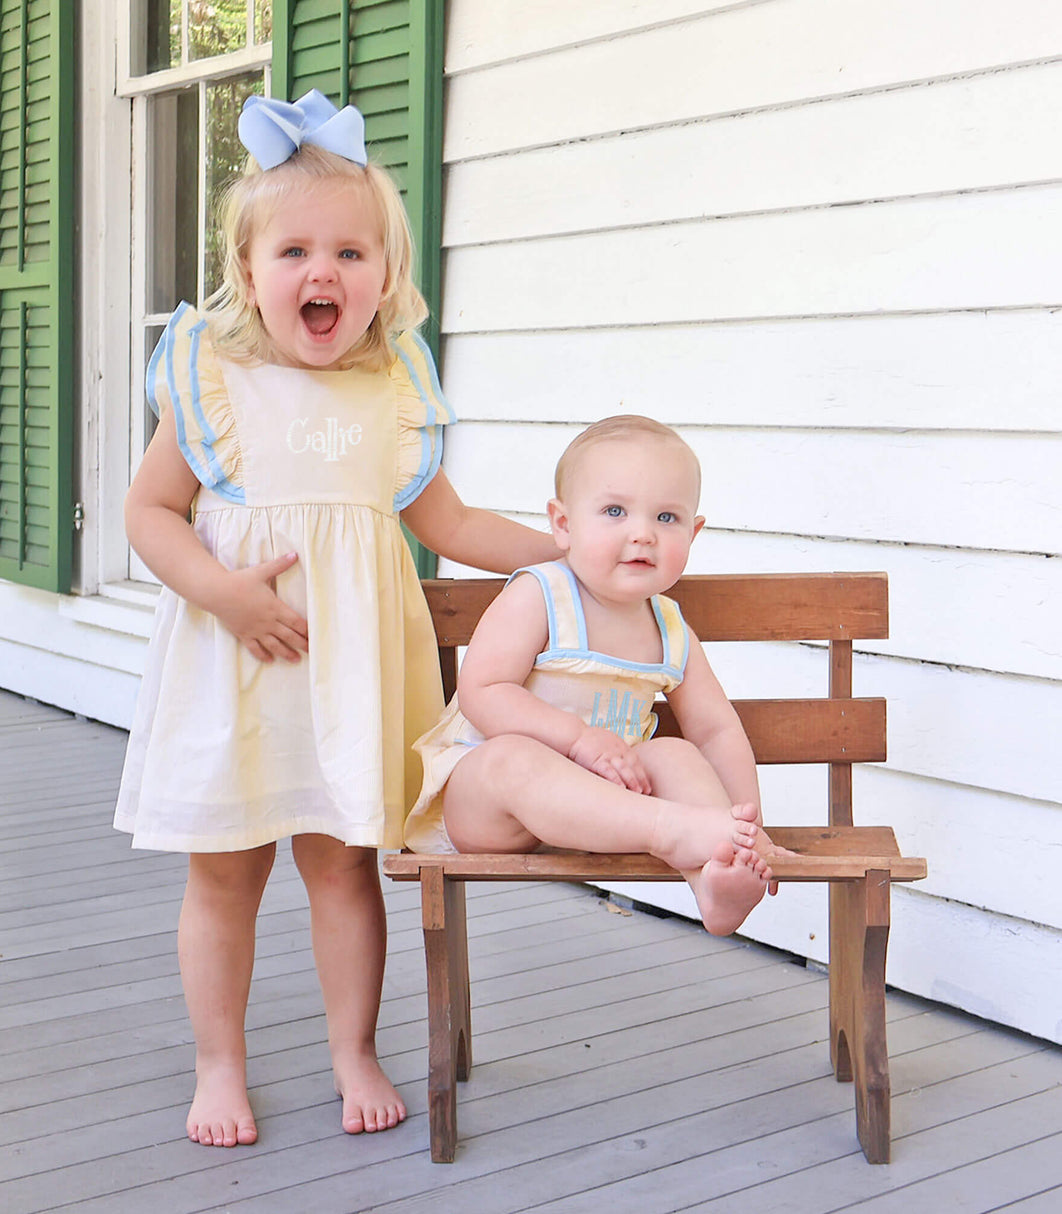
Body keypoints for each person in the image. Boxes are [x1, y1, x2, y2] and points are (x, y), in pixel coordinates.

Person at [113, 90, 559, 1149]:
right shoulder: (211, 379)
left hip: (348, 679)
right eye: (297, 251)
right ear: (248, 269)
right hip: (238, 668)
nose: (324, 273)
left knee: (343, 864)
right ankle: (219, 1060)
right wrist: (222, 590)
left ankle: (350, 1046)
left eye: (351, 253)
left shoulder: (391, 391)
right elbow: (146, 510)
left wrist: (563, 557)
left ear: (384, 276)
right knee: (223, 872)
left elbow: (444, 520)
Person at [403, 415, 781, 937]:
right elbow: (482, 691)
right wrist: (577, 740)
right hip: (492, 809)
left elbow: (716, 730)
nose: (643, 533)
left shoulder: (670, 628)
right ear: (563, 524)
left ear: (693, 533)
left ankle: (716, 876)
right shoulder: (542, 595)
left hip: (600, 813)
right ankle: (671, 832)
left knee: (676, 753)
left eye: (667, 518)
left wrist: (748, 827)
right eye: (614, 511)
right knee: (515, 757)